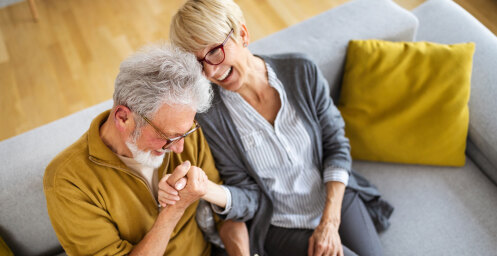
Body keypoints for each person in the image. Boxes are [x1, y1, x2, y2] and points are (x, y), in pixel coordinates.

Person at [163, 0, 394, 255]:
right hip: (280, 224)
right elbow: (247, 193)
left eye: (214, 52)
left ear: (242, 33)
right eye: (198, 64)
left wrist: (330, 221)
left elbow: (335, 144)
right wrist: (208, 191)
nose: (210, 71)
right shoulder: (211, 117)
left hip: (333, 197)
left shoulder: (300, 70)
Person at [44, 43, 249, 256]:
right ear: (123, 118)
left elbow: (225, 214)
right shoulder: (67, 180)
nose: (180, 148)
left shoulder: (183, 131)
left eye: (184, 134)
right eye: (168, 137)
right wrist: (173, 210)